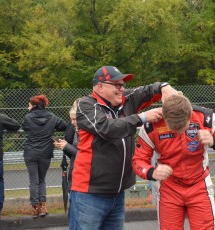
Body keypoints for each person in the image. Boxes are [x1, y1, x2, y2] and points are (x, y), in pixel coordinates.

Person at [69, 65, 179, 230]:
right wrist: (141, 118)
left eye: (123, 85)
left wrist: (165, 87)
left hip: (117, 194)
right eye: (117, 85)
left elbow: (149, 90)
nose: (122, 89)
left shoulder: (126, 100)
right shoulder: (86, 105)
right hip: (89, 194)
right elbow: (105, 128)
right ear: (100, 86)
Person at [132, 94, 215, 230]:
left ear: (190, 115)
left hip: (199, 185)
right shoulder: (151, 124)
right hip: (169, 188)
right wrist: (152, 172)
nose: (179, 131)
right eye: (173, 128)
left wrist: (214, 141)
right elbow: (138, 160)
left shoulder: (205, 117)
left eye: (183, 126)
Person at [22, 94, 67, 218]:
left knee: (33, 180)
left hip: (30, 152)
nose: (28, 107)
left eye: (29, 105)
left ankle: (34, 206)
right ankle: (43, 206)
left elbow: (25, 128)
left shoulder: (28, 117)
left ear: (34, 106)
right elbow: (63, 126)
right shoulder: (52, 116)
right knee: (42, 180)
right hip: (45, 153)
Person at [54, 98, 80, 193]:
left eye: (74, 119)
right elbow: (74, 154)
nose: (72, 122)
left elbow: (86, 155)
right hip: (74, 175)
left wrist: (66, 147)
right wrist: (64, 147)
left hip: (82, 180)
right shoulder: (75, 129)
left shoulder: (89, 132)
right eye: (71, 119)